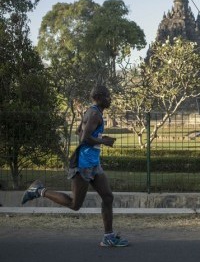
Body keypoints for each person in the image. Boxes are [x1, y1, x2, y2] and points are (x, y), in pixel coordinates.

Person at [21, 85, 129, 247]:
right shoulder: (94, 114)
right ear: (99, 97)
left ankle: (109, 236)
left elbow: (79, 130)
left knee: (108, 197)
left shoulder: (93, 112)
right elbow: (83, 138)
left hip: (93, 163)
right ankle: (38, 190)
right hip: (83, 165)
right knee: (75, 204)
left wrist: (98, 137)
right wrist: (103, 141)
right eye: (107, 96)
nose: (110, 99)